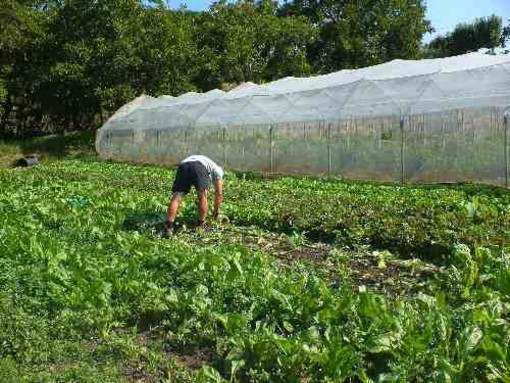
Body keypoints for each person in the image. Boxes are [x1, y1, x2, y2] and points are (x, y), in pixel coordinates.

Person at [164, 155, 224, 234]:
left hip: (183, 165)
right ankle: (201, 224)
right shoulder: (218, 171)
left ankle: (169, 226)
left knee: (177, 196)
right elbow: (219, 193)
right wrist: (216, 212)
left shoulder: (209, 164)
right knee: (203, 195)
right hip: (198, 166)